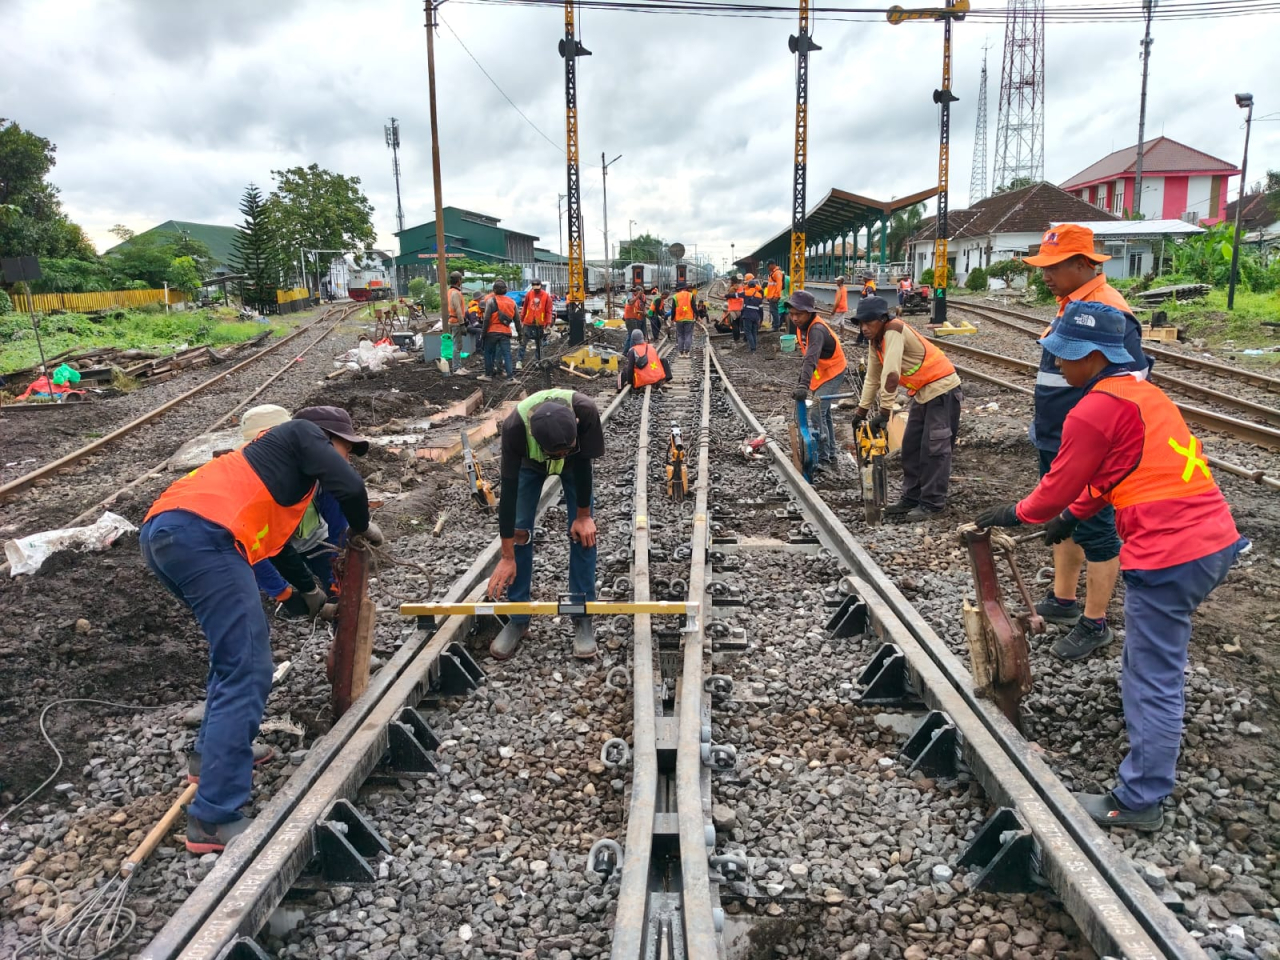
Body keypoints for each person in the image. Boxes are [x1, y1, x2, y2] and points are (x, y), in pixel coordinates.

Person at [975, 302, 1247, 831]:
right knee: (1151, 663)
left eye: (1063, 357)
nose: (1057, 366)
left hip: (1170, 553)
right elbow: (1126, 468)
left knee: (1150, 676)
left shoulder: (1091, 410)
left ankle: (1140, 799)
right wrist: (1075, 515)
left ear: (1093, 356)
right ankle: (1151, 759)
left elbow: (1058, 483)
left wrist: (1023, 514)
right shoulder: (1142, 394)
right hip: (1213, 539)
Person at [139, 407, 382, 853]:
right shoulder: (300, 432)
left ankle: (208, 758)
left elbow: (277, 546)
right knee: (249, 666)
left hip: (169, 532)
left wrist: (309, 592)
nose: (347, 459)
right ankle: (213, 817)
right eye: (346, 448)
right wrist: (364, 526)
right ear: (326, 439)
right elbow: (349, 487)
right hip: (203, 537)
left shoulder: (271, 476)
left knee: (232, 658)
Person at [1022, 223, 1151, 659]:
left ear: (1083, 263)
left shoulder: (1108, 310)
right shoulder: (1070, 303)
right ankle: (1063, 601)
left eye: (1054, 266)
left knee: (1094, 527)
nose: (1045, 274)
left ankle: (1095, 622)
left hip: (1087, 443)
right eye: (1043, 265)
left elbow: (1126, 386)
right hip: (1056, 433)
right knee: (1063, 517)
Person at [487, 390, 605, 661]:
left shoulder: (586, 411)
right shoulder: (515, 428)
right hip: (530, 465)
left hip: (576, 466)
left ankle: (582, 614)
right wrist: (506, 556)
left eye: (566, 448)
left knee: (583, 534)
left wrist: (584, 516)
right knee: (520, 533)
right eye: (557, 452)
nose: (561, 454)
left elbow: (584, 465)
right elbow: (509, 494)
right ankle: (518, 617)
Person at [852, 296, 963, 519]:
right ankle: (911, 498)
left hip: (943, 390)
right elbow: (873, 377)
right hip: (923, 393)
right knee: (911, 447)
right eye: (861, 324)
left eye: (869, 323)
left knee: (934, 449)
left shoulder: (893, 330)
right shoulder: (876, 340)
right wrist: (861, 411)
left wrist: (884, 412)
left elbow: (891, 375)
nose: (864, 328)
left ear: (883, 319)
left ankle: (932, 503)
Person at [237, 406, 349, 615]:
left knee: (340, 593)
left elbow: (338, 529)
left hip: (314, 541)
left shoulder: (318, 471)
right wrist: (283, 593)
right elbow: (251, 548)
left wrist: (336, 583)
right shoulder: (244, 482)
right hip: (270, 550)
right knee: (273, 598)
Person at [787, 290, 847, 472]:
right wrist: (801, 384)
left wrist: (803, 386)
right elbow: (807, 359)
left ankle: (822, 458)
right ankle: (830, 454)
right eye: (792, 314)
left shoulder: (817, 330)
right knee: (825, 413)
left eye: (799, 314)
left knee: (816, 411)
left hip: (834, 371)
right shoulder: (802, 326)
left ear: (810, 312)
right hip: (822, 373)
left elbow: (811, 358)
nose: (795, 318)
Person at [480, 279, 518, 382]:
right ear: (505, 290)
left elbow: (486, 319)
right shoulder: (512, 302)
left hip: (492, 332)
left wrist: (483, 334)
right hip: (505, 332)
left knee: (488, 353)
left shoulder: (491, 301)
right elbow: (517, 321)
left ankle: (488, 375)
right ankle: (510, 377)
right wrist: (520, 334)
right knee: (507, 354)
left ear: (494, 290)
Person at [519, 279, 555, 366]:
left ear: (540, 286)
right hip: (528, 322)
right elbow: (525, 307)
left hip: (539, 323)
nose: (536, 290)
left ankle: (537, 361)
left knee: (539, 344)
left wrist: (548, 323)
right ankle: (519, 361)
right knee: (523, 342)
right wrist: (522, 319)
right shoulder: (529, 294)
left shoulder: (546, 297)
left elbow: (548, 311)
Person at [738, 274, 765, 353]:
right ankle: (754, 347)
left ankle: (753, 348)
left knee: (748, 331)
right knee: (753, 331)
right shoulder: (758, 289)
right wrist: (761, 318)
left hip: (748, 313)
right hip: (756, 313)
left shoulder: (748, 289)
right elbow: (761, 307)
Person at [446, 272, 467, 373]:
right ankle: (456, 368)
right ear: (459, 280)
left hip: (452, 320)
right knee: (457, 346)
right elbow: (458, 309)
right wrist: (462, 324)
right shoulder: (455, 293)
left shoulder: (450, 291)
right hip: (456, 322)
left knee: (458, 345)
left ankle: (459, 366)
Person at [672, 282, 698, 356]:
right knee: (688, 335)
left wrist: (672, 318)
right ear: (685, 288)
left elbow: (673, 309)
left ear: (678, 289)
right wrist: (697, 315)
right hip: (689, 318)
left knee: (680, 335)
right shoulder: (690, 295)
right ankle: (687, 352)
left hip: (679, 319)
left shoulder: (675, 296)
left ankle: (681, 352)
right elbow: (694, 306)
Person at [764, 260, 784, 331]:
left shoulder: (777, 273)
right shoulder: (773, 273)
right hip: (771, 296)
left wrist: (777, 295)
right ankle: (775, 325)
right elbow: (770, 286)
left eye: (768, 266)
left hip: (774, 296)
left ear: (772, 265)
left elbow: (779, 284)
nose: (768, 268)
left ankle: (776, 326)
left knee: (774, 311)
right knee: (773, 311)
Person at [724, 276, 744, 342]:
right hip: (740, 308)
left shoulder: (732, 289)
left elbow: (728, 297)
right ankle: (738, 337)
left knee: (734, 324)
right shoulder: (741, 288)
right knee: (738, 324)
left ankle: (736, 339)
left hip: (733, 309)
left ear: (732, 281)